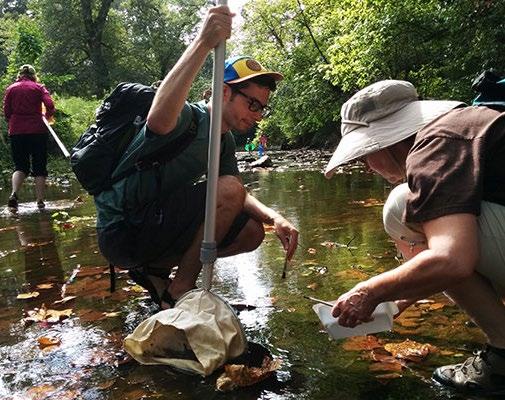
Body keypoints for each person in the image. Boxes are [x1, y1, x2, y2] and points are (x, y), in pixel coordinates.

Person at [95, 5, 298, 310]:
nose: (258, 115)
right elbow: (158, 120)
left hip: (153, 225)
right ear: (224, 92)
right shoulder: (188, 117)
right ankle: (180, 290)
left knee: (252, 232)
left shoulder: (224, 140)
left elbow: (237, 196)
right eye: (253, 104)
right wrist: (203, 42)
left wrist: (275, 218)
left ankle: (155, 269)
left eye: (262, 108)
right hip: (122, 230)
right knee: (229, 189)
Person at [324, 80, 505, 395]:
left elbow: (452, 260)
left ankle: (504, 354)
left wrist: (370, 291)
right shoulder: (462, 126)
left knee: (399, 205)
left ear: (386, 141)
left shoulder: (431, 146)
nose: (367, 168)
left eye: (365, 156)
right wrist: (396, 301)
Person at [3, 64, 55, 211]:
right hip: (37, 130)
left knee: (20, 166)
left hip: (17, 131)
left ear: (19, 75)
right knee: (39, 166)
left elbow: (7, 111)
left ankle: (14, 194)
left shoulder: (11, 88)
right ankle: (40, 201)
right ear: (33, 75)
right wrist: (47, 116)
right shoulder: (39, 88)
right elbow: (50, 105)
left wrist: (13, 120)